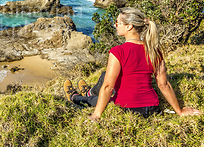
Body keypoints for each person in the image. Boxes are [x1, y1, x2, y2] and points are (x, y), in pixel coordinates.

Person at [63, 7, 201, 120]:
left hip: (127, 108)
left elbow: (108, 86)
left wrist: (96, 115)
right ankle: (87, 92)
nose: (115, 25)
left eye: (117, 23)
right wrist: (179, 110)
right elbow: (163, 84)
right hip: (152, 109)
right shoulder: (155, 51)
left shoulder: (118, 51)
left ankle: (75, 97)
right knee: (104, 80)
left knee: (95, 100)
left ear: (129, 26)